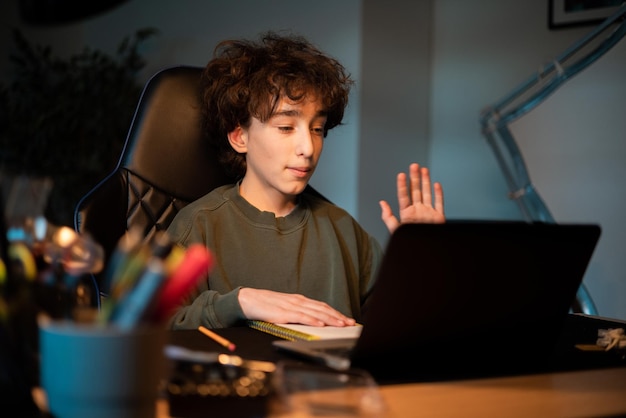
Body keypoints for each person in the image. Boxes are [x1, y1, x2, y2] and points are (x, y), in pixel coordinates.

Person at [166, 32, 445, 330]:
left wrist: (424, 259)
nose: (308, 148)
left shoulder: (344, 230)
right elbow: (148, 329)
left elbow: (401, 325)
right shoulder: (198, 226)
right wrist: (240, 302)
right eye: (286, 127)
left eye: (317, 129)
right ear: (240, 136)